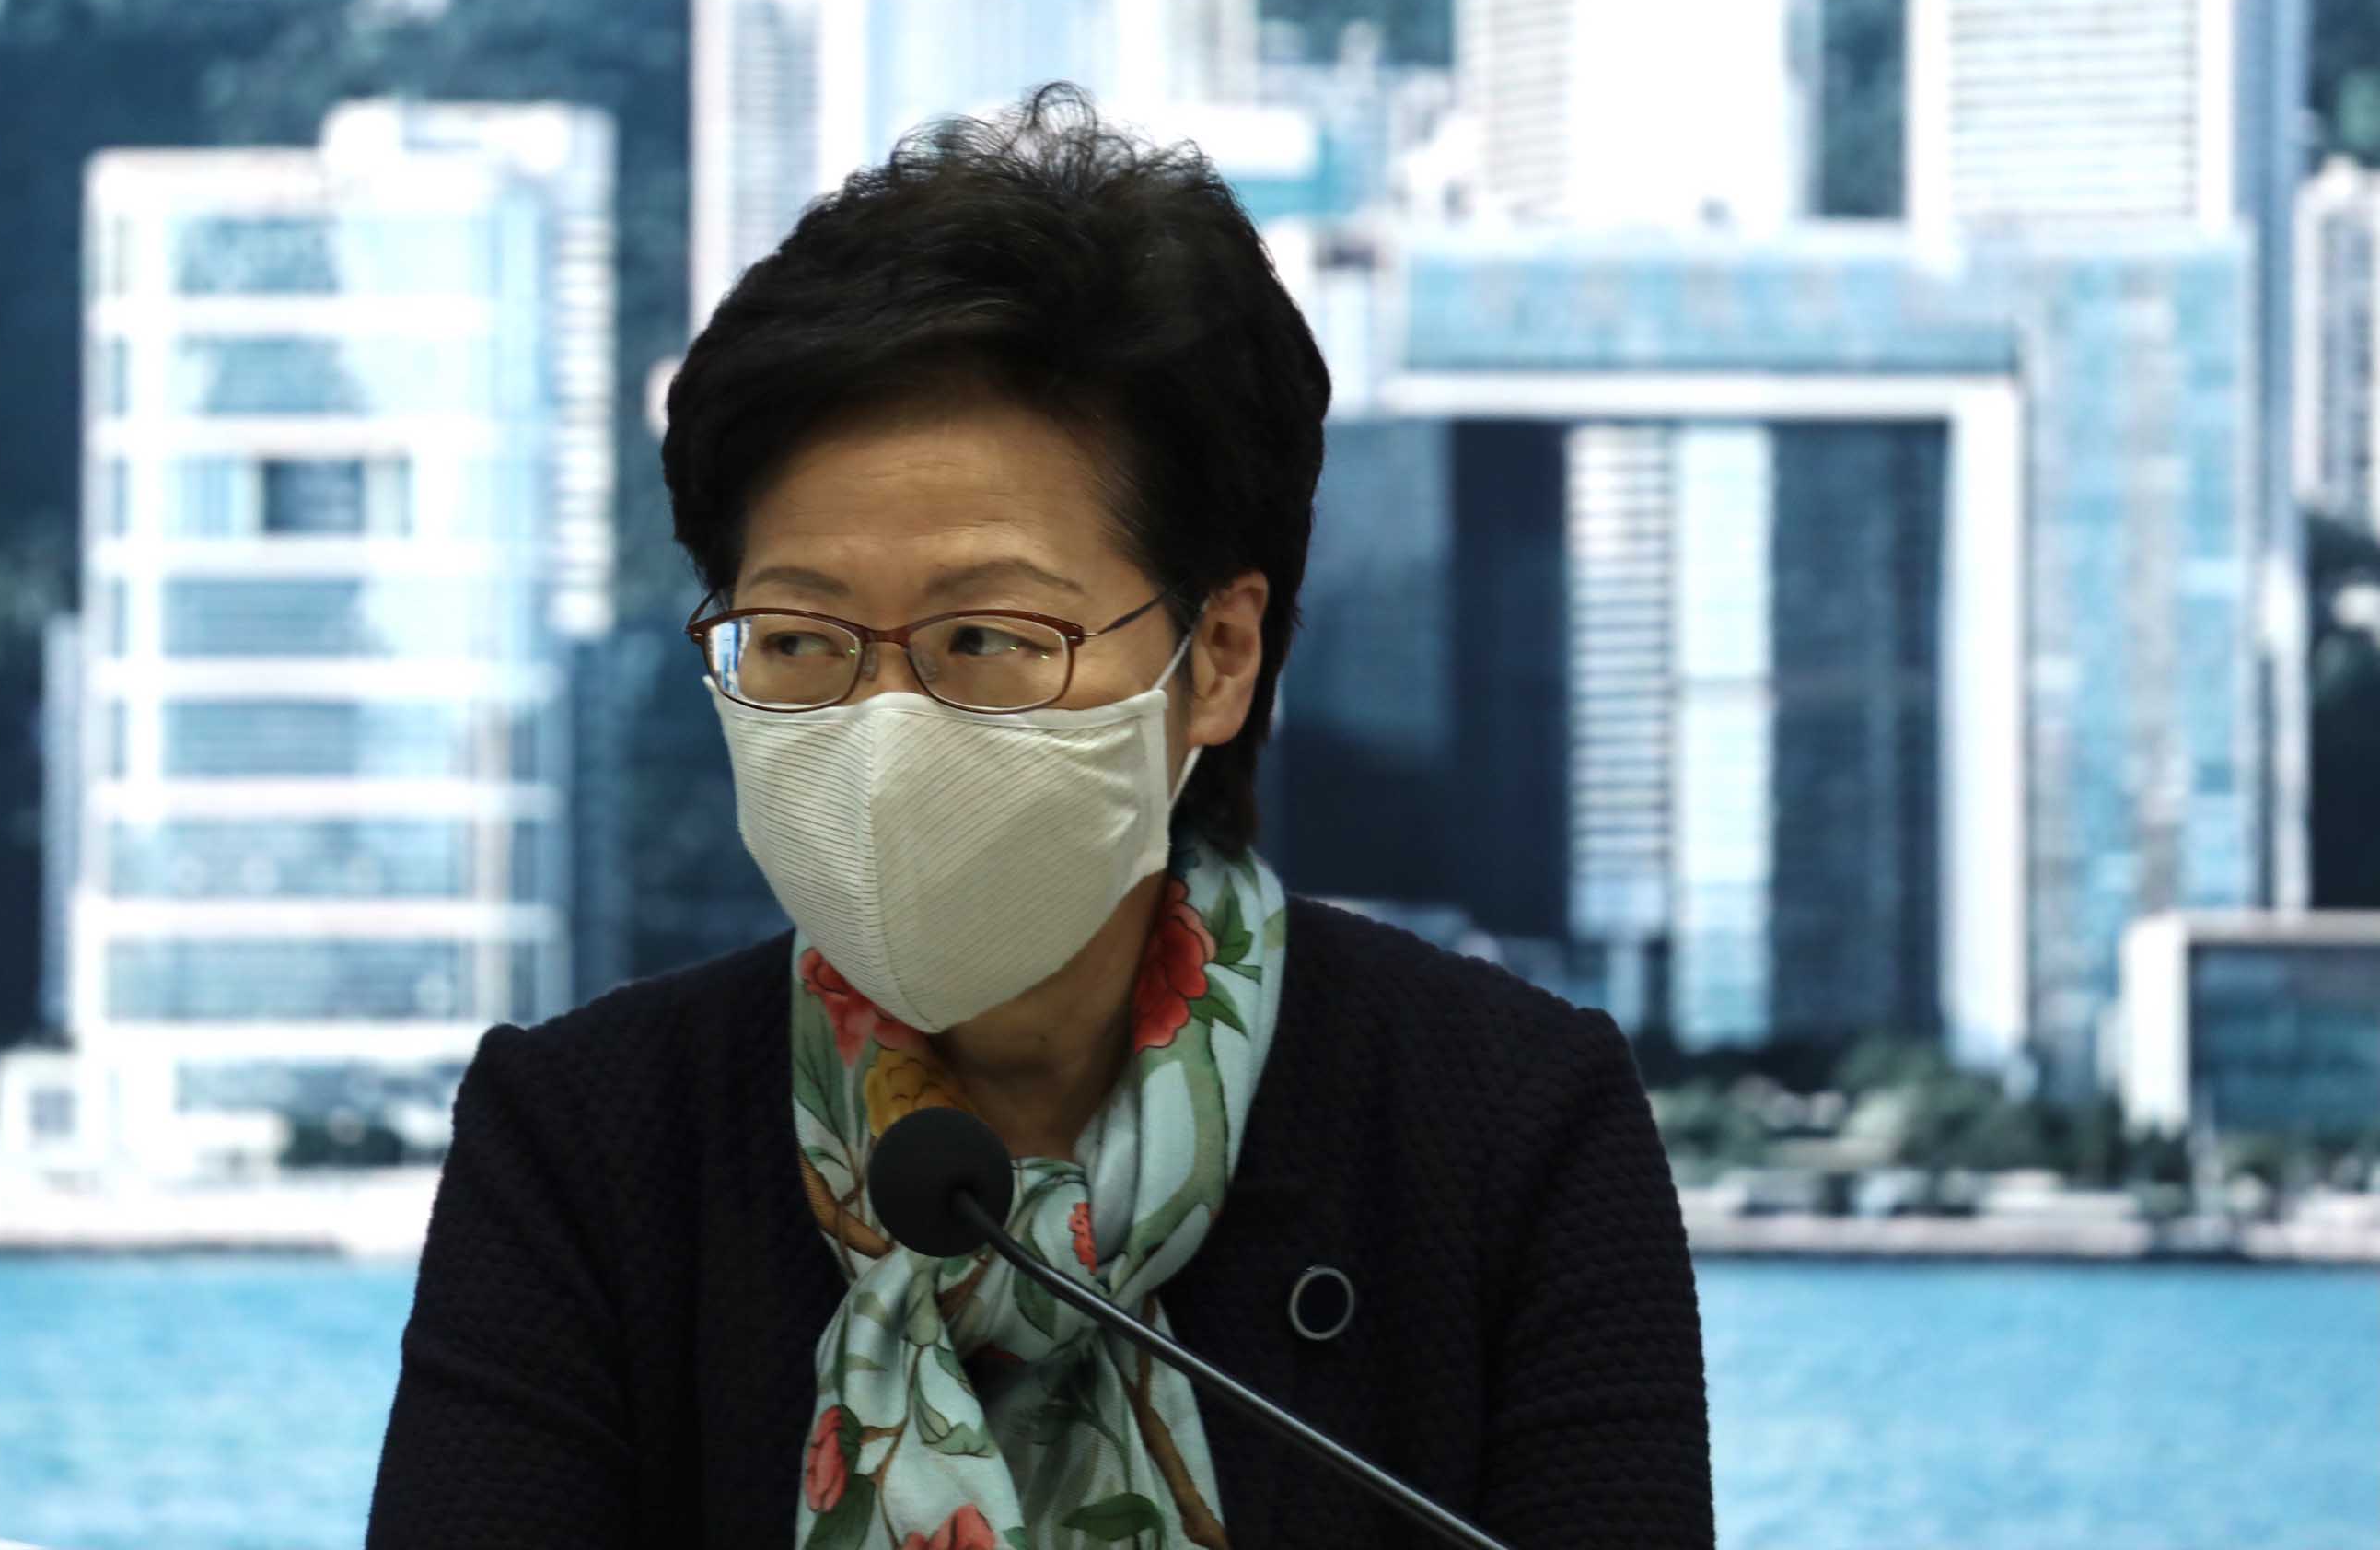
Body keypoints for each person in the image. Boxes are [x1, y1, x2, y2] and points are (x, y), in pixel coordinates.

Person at [366, 83, 1712, 1549]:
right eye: (803, 643)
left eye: (987, 640)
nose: (884, 733)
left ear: (1217, 657)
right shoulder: (587, 1145)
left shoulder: (1508, 1128)